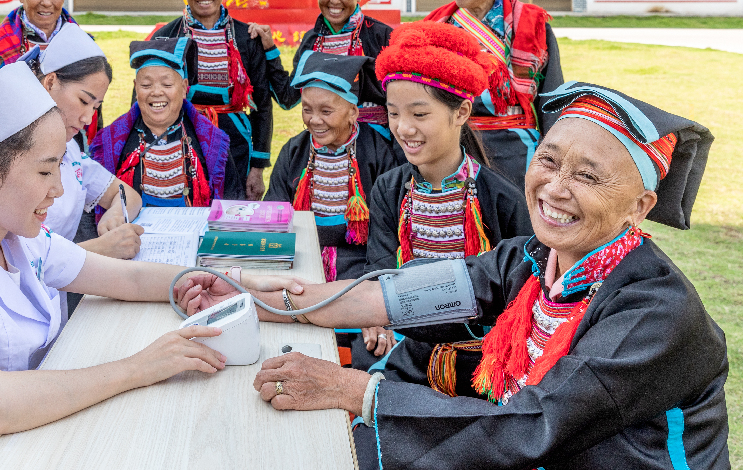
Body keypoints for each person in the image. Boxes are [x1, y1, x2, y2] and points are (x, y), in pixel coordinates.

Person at [180, 82, 727, 469]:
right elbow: (396, 298)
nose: (556, 188)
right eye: (549, 160)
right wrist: (263, 298)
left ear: (639, 206)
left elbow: (535, 425)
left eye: (588, 176)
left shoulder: (654, 313)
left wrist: (354, 390)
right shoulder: (532, 259)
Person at [0, 61, 298, 470]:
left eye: (60, 168)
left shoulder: (14, 235)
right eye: (45, 172)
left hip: (25, 441)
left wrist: (227, 280)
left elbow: (125, 277)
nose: (58, 190)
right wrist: (140, 367)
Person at [355, 20, 532, 377]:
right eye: (393, 113)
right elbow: (380, 267)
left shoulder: (502, 199)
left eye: (419, 114)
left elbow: (523, 290)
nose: (403, 127)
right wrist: (375, 317)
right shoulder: (389, 189)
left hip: (480, 351)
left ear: (461, 112)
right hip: (403, 338)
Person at [425, 0, 564, 191]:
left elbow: (552, 98)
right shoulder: (435, 26)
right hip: (454, 150)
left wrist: (554, 156)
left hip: (518, 153)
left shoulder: (531, 24)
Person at [153, 0, 298, 200]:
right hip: (181, 141)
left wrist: (257, 168)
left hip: (235, 146)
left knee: (232, 213)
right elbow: (147, 102)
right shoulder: (165, 37)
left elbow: (262, 105)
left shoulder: (246, 38)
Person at [266, 52, 400, 283]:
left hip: (360, 263)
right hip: (300, 258)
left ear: (353, 113)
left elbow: (386, 226)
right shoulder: (294, 151)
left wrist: (373, 280)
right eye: (307, 109)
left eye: (326, 111)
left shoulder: (377, 151)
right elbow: (274, 209)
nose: (315, 120)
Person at [20, 22, 143, 259]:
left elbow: (128, 195)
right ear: (50, 83)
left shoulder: (68, 150)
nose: (88, 118)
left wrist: (115, 215)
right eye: (83, 101)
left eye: (95, 107)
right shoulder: (10, 150)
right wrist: (97, 249)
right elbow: (14, 259)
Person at [91, 37, 245, 207]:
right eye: (146, 85)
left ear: (184, 87)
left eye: (167, 84)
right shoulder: (109, 143)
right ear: (136, 88)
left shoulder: (212, 143)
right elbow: (92, 203)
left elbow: (232, 203)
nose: (157, 92)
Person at [294, 0, 395, 142]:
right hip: (323, 142)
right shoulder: (311, 41)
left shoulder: (382, 36)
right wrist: (269, 50)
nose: (335, 0)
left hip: (375, 142)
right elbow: (288, 98)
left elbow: (398, 98)